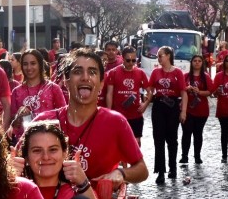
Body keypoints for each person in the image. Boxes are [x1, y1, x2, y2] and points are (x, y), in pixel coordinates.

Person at [32, 48, 149, 189]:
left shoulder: (116, 122)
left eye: (92, 72)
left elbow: (142, 170)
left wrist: (121, 173)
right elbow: (18, 160)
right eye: (77, 72)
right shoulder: (44, 121)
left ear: (101, 83)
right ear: (66, 81)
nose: (85, 77)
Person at [146, 46, 187, 184]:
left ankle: (173, 168)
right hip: (159, 105)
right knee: (158, 139)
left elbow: (183, 92)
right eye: (158, 56)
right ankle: (160, 171)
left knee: (172, 139)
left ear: (168, 56)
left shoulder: (178, 72)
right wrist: (146, 99)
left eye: (161, 55)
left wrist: (184, 111)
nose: (159, 58)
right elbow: (150, 89)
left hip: (172, 106)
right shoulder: (155, 72)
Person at [9, 49, 66, 144]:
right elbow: (13, 124)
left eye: (33, 63)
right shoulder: (16, 91)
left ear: (40, 65)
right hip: (25, 143)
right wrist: (18, 116)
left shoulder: (53, 88)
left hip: (50, 141)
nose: (29, 67)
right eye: (25, 64)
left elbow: (64, 117)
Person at [105, 46, 150, 147]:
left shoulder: (140, 73)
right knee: (120, 143)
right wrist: (108, 112)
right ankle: (123, 163)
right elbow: (109, 93)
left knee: (136, 143)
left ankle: (135, 162)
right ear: (122, 58)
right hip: (119, 114)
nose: (131, 63)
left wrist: (145, 104)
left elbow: (149, 91)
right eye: (128, 60)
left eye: (133, 60)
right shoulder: (114, 72)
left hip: (136, 115)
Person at [181, 55, 213, 164]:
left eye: (199, 61)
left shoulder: (206, 77)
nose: (197, 63)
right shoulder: (185, 76)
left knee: (198, 133)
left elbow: (210, 92)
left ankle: (197, 156)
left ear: (202, 63)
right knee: (186, 133)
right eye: (195, 60)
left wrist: (199, 92)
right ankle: (184, 156)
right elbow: (180, 89)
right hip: (188, 109)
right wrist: (187, 88)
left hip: (201, 110)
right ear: (191, 62)